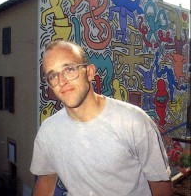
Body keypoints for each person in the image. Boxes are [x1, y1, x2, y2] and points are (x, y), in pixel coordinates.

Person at [30, 40, 173, 196]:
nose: (62, 81)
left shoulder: (133, 122)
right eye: (52, 75)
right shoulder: (48, 131)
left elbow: (160, 185)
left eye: (69, 69)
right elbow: (45, 181)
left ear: (90, 72)